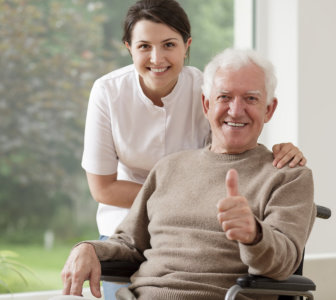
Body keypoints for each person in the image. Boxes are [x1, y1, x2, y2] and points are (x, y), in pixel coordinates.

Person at [84, 0, 306, 298]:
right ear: (207, 104)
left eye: (251, 99)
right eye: (224, 97)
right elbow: (113, 209)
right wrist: (86, 248)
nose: (235, 109)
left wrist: (254, 234)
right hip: (133, 243)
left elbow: (282, 261)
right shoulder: (166, 165)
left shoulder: (285, 175)